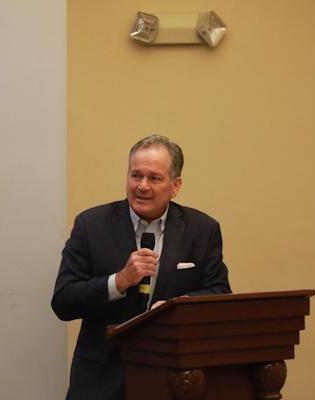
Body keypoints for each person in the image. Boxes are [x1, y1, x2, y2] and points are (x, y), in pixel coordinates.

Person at [51, 134, 231, 400]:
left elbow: (219, 293)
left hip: (173, 380)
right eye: (136, 175)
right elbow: (63, 301)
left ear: (176, 185)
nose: (142, 186)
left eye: (154, 178)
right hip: (102, 381)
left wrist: (176, 308)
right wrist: (119, 281)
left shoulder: (202, 230)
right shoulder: (91, 225)